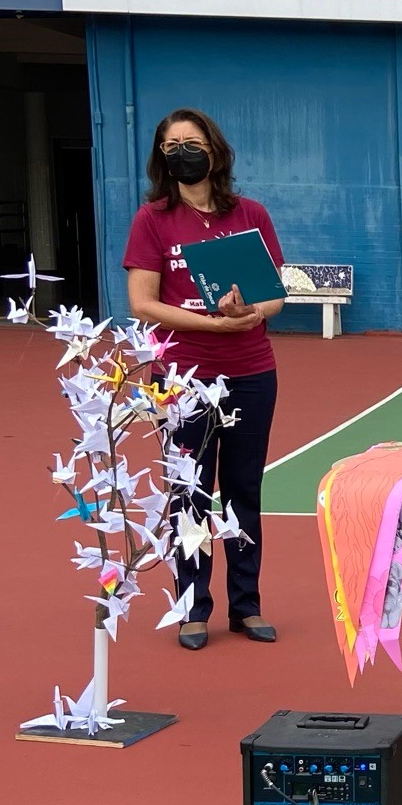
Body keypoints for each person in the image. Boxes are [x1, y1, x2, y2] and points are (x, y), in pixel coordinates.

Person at [123, 109, 286, 650]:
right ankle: (192, 607)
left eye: (190, 142)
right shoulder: (152, 220)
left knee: (243, 489)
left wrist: (249, 312)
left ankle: (247, 606)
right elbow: (143, 303)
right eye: (170, 146)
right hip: (181, 377)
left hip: (250, 373)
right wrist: (212, 323)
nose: (182, 153)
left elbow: (274, 295)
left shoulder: (251, 214)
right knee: (188, 491)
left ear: (214, 150)